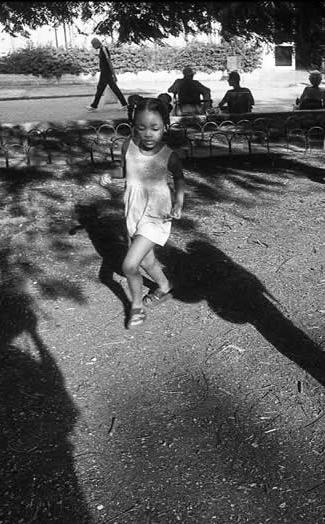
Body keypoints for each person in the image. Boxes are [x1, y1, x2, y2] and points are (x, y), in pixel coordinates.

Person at [99, 97, 185, 328]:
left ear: (165, 126)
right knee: (147, 260)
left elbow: (179, 178)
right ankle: (165, 287)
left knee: (129, 265)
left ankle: (136, 307)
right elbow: (125, 170)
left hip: (157, 214)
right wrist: (110, 174)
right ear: (133, 126)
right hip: (133, 210)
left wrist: (178, 203)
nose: (148, 134)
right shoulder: (128, 146)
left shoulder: (169, 155)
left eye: (155, 128)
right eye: (141, 127)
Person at [86, 37, 128, 111]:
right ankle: (124, 104)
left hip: (106, 73)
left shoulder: (104, 49)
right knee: (104, 89)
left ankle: (94, 106)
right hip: (104, 73)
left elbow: (109, 61)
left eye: (93, 45)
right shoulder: (101, 49)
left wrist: (114, 74)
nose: (93, 46)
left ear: (96, 43)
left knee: (104, 89)